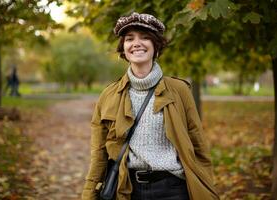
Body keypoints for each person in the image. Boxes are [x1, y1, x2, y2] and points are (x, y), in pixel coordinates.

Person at [82, 12, 219, 200]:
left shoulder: (179, 90)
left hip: (173, 189)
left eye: (145, 37)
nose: (136, 43)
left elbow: (198, 145)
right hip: (127, 189)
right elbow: (99, 154)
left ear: (156, 45)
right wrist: (89, 194)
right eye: (130, 39)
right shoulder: (108, 95)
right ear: (124, 48)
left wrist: (206, 187)